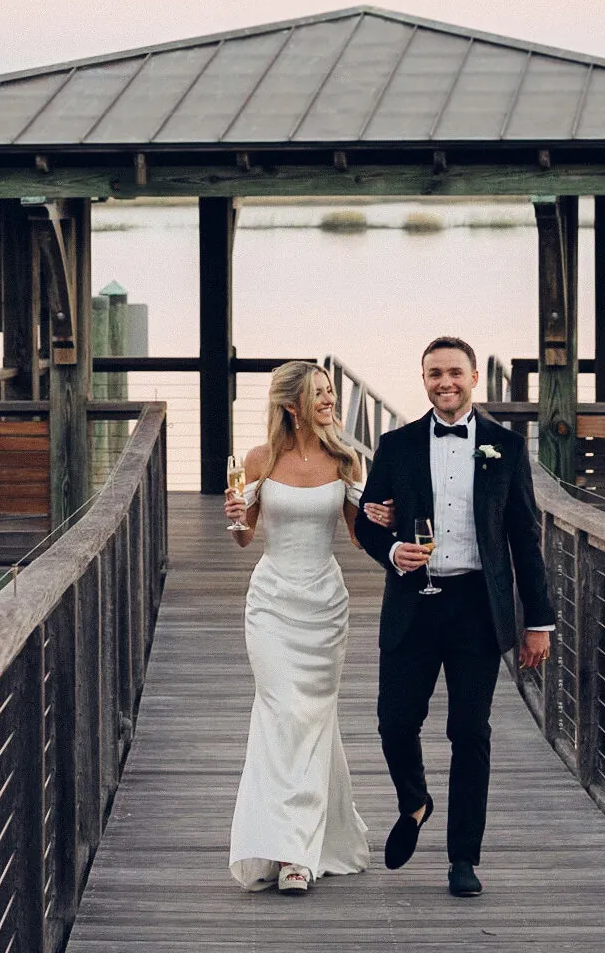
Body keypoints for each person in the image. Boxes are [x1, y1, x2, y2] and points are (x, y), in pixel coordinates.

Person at [352, 336, 554, 897]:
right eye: (435, 373)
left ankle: (464, 858)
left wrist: (539, 621)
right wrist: (390, 549)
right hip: (412, 605)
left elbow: (525, 537)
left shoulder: (505, 448)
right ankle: (414, 800)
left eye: (455, 373)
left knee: (470, 733)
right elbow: (369, 522)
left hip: (475, 609)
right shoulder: (395, 446)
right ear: (423, 380)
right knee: (394, 723)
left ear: (473, 379)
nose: (446, 382)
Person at [222, 361, 371, 894]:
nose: (330, 401)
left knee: (311, 719)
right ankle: (287, 850)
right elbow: (244, 537)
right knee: (281, 712)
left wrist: (387, 518)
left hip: (325, 606)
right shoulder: (260, 459)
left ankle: (301, 848)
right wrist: (236, 514)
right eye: (320, 394)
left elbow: (359, 539)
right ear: (291, 404)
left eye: (332, 392)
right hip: (271, 604)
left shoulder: (345, 459)